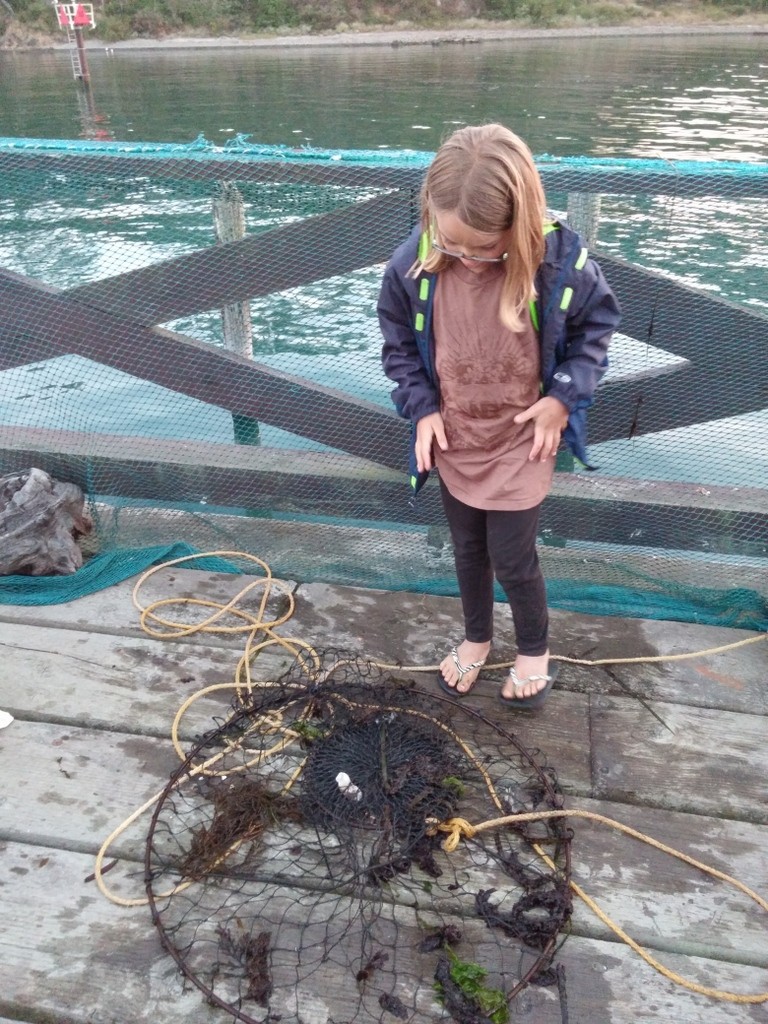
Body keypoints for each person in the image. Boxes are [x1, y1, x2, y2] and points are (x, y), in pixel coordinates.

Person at [378, 123, 621, 709]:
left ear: (520, 221)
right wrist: (423, 409)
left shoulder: (562, 263)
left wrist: (562, 397)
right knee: (466, 547)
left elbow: (596, 331)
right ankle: (477, 638)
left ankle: (533, 649)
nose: (461, 255)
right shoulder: (414, 261)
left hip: (522, 440)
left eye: (481, 247)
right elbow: (398, 346)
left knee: (512, 555)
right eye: (449, 239)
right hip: (456, 434)